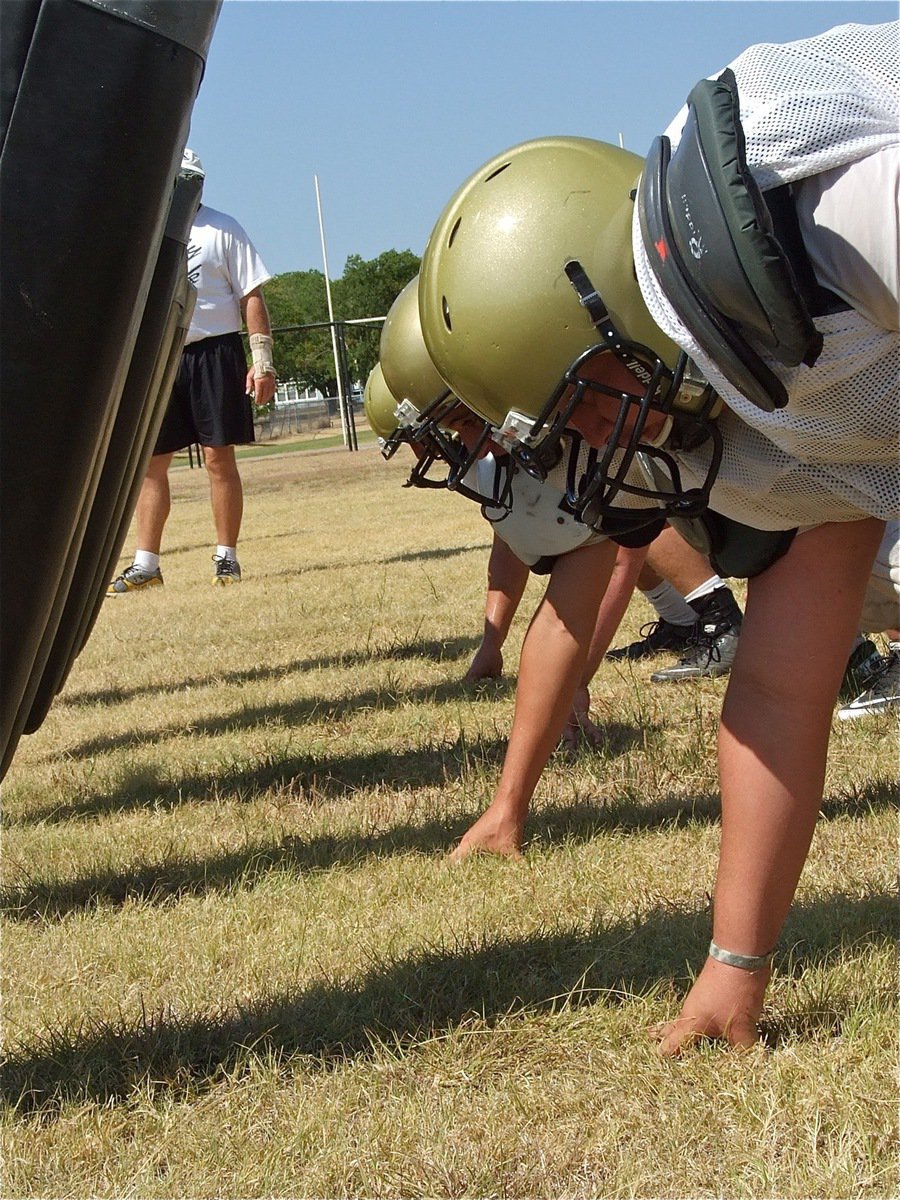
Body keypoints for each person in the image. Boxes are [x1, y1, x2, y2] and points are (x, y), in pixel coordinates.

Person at [417, 21, 898, 1053]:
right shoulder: (748, 388)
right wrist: (736, 965)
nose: (592, 446)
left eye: (582, 409)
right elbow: (776, 689)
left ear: (608, 312)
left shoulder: (825, 220)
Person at [107, 149, 276, 593]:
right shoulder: (148, 230)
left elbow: (252, 295)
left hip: (215, 353)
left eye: (194, 180)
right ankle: (147, 564)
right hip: (161, 357)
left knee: (219, 457)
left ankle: (226, 557)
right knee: (151, 462)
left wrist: (262, 362)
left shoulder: (224, 228)